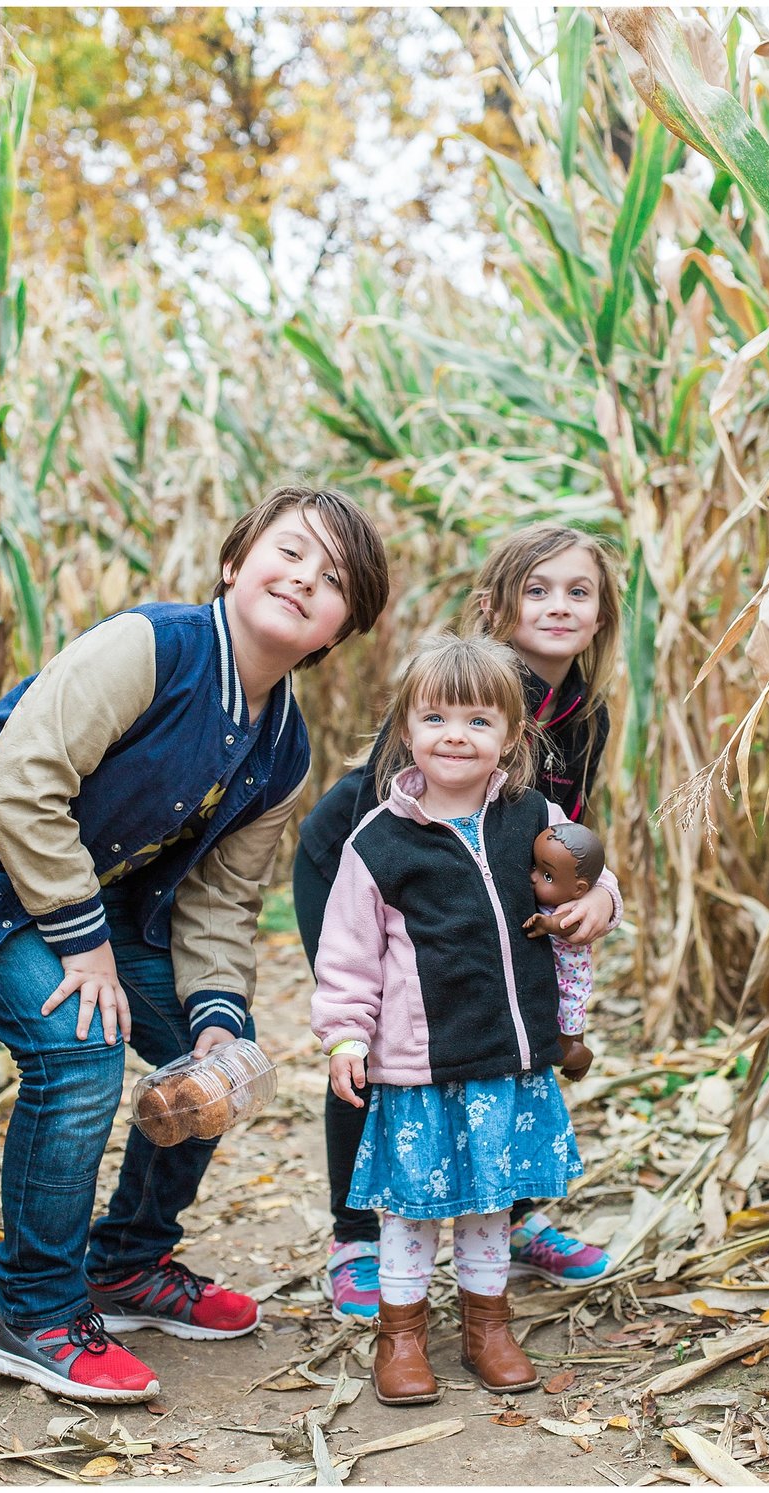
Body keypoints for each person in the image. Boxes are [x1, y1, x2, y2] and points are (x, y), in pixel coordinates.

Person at [0, 485, 389, 1404]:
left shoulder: (282, 748)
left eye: (331, 580)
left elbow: (219, 901)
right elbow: (22, 780)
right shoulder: (153, 646)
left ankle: (126, 1264)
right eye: (289, 552)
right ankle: (32, 1309)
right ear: (234, 560)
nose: (302, 579)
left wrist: (218, 1019)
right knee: (79, 1049)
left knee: (219, 1062)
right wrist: (81, 942)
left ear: (339, 630)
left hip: (75, 888)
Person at [294, 522, 622, 1319]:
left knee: (502, 1041)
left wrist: (598, 898)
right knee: (381, 1044)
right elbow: (395, 820)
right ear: (495, 604)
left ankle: (506, 1216)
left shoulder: (585, 714)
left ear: (603, 614)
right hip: (364, 868)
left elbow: (563, 841)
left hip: (481, 876)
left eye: (578, 592)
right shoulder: (458, 687)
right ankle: (357, 1238)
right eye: (536, 589)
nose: (557, 606)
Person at [525, 822, 606, 1085]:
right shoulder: (557, 898)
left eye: (547, 876)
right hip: (556, 983)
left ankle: (582, 1057)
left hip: (568, 989)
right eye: (535, 867)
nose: (533, 876)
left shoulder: (574, 907)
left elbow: (565, 924)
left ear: (579, 889)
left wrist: (545, 924)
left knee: (559, 1051)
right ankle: (577, 1048)